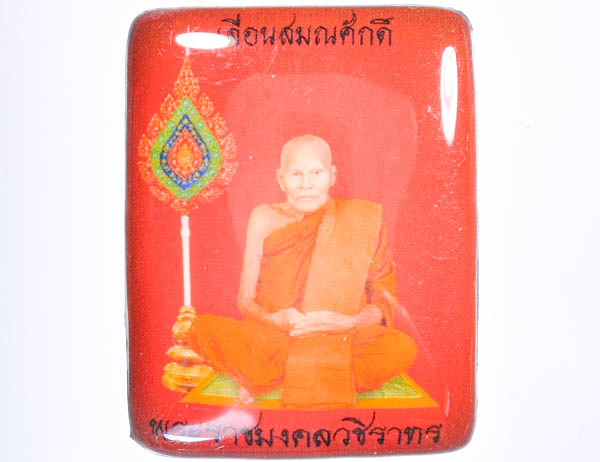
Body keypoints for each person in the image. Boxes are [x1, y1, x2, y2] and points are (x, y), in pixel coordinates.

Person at [189, 135, 417, 408]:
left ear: (332, 176)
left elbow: (382, 300)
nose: (306, 184)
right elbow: (245, 300)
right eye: (296, 174)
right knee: (201, 329)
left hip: (340, 336)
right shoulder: (263, 218)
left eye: (316, 173)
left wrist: (348, 322)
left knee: (402, 348)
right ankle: (319, 372)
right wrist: (276, 320)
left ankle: (269, 375)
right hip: (276, 336)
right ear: (281, 178)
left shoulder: (362, 219)